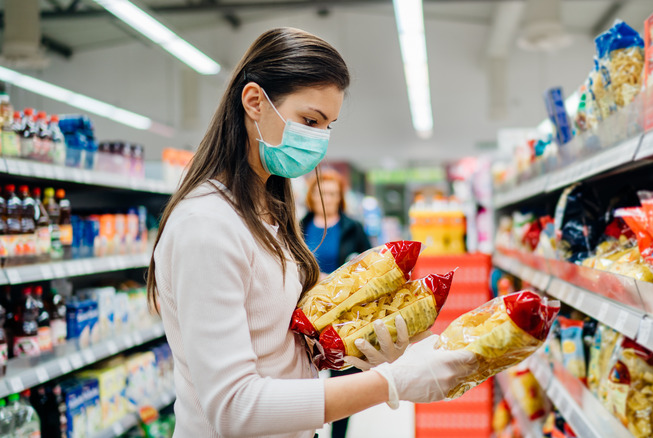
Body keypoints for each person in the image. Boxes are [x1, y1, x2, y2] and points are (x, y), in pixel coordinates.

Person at [147, 27, 476, 438]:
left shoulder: (271, 212)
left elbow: (274, 347)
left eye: (327, 126)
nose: (319, 140)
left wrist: (347, 352)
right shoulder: (206, 226)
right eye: (309, 120)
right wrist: (390, 384)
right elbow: (233, 409)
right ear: (254, 102)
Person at [301, 169, 371, 438]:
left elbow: (369, 266)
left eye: (332, 193)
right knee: (305, 375)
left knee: (344, 379)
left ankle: (338, 435)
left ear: (340, 197)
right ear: (311, 196)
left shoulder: (353, 228)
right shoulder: (299, 226)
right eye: (321, 192)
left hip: (345, 317)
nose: (326, 198)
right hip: (307, 313)